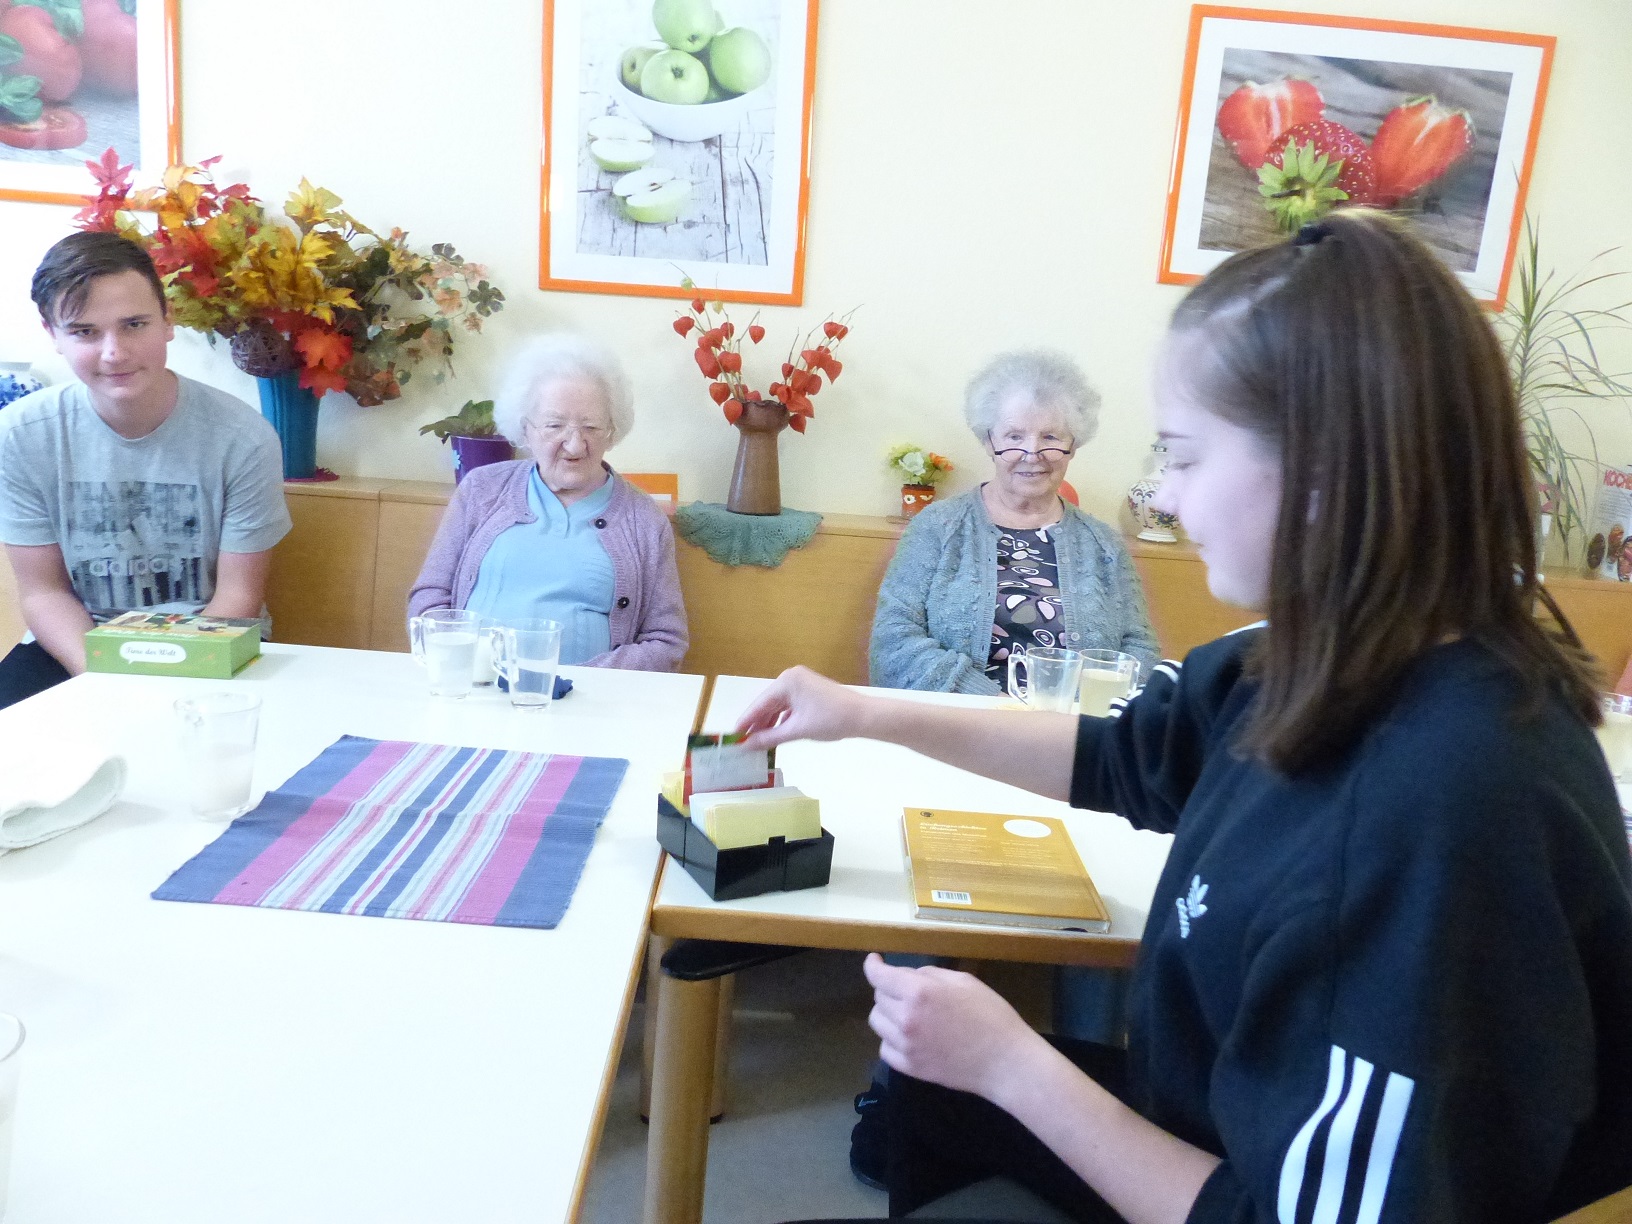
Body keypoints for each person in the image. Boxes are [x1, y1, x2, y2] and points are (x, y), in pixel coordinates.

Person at [748, 213, 1632, 1224]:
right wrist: (864, 711)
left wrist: (1013, 1066)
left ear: (1325, 471)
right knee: (929, 1093)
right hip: (1217, 1117)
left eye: (1185, 457)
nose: (1164, 497)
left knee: (967, 1080)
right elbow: (1117, 755)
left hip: (1248, 1185)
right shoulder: (1301, 657)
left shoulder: (1443, 813)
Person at [0, 231, 291, 711]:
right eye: (85, 332)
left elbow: (238, 595)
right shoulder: (19, 435)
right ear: (52, 334)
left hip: (212, 640)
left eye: (134, 324)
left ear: (168, 319)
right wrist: (104, 680)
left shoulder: (243, 438)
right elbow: (44, 592)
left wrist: (166, 687)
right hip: (79, 643)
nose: (114, 352)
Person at [870, 350, 1158, 695]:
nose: (1032, 453)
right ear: (988, 442)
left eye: (1050, 437)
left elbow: (1140, 651)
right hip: (958, 718)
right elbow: (893, 641)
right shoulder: (937, 527)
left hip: (1072, 724)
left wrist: (1080, 712)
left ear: (1073, 446)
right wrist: (991, 702)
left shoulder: (1104, 544)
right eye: (1014, 436)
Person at [408, 334, 687, 670]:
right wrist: (465, 665)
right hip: (474, 684)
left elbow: (666, 642)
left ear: (612, 431)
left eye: (591, 427)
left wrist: (583, 682)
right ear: (525, 429)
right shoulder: (481, 490)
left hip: (589, 697)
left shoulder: (644, 519)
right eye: (555, 425)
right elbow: (430, 599)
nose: (575, 445)